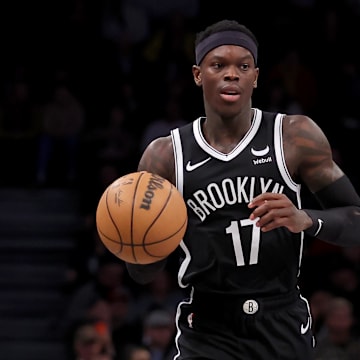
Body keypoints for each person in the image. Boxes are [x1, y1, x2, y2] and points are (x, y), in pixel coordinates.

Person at [125, 19, 360, 359]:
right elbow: (142, 274)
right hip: (208, 327)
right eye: (218, 64)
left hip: (280, 320)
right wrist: (138, 241)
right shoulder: (165, 156)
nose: (231, 74)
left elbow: (356, 219)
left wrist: (306, 219)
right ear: (197, 74)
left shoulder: (295, 137)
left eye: (243, 66)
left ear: (256, 76)